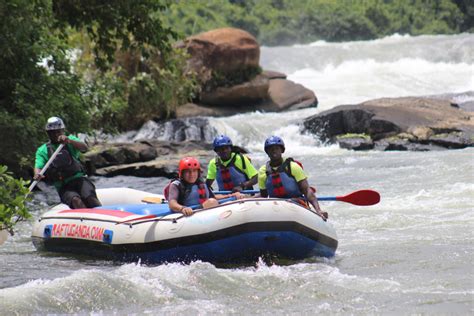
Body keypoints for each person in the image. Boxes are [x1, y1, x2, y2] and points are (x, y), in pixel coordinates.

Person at [33, 116, 101, 209]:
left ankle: (103, 215)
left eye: (58, 131)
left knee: (90, 198)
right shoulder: (42, 150)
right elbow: (38, 165)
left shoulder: (70, 140)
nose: (56, 134)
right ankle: (85, 219)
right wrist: (37, 173)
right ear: (48, 133)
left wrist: (69, 141)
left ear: (63, 131)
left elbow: (84, 148)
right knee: (76, 201)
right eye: (52, 132)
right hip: (63, 186)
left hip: (80, 179)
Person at [258, 136, 328, 220]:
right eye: (270, 149)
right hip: (275, 205)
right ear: (267, 152)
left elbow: (307, 191)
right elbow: (263, 195)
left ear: (282, 150)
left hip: (296, 203)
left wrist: (318, 210)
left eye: (276, 148)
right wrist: (245, 198)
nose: (273, 150)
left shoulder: (292, 167)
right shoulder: (263, 171)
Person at [168, 157, 243, 216]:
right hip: (186, 215)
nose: (192, 174)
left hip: (202, 212)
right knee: (212, 202)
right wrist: (182, 208)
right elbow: (172, 203)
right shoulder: (176, 185)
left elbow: (213, 197)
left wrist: (231, 195)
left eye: (194, 171)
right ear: (182, 173)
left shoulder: (202, 184)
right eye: (188, 171)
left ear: (198, 172)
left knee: (212, 201)